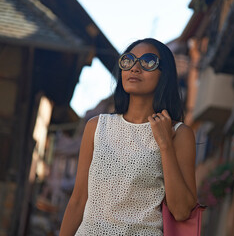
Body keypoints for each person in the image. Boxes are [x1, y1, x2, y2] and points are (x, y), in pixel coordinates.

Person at [59, 38, 197, 236]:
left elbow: (182, 211)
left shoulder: (179, 134)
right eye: (128, 60)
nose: (134, 68)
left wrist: (165, 145)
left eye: (148, 62)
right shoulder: (97, 127)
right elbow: (78, 200)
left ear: (163, 74)